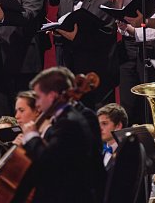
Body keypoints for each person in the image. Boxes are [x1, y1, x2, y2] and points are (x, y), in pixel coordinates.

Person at [21, 67, 105, 203]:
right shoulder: (64, 119)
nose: (36, 104)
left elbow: (49, 163)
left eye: (38, 97)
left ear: (52, 96)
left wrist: (32, 137)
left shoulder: (69, 122)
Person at [56, 0, 118, 108]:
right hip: (71, 70)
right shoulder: (64, 1)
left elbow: (107, 37)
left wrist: (76, 38)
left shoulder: (103, 2)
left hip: (96, 73)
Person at [115, 0, 152, 125]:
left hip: (148, 44)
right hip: (128, 45)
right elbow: (117, 13)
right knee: (128, 101)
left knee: (147, 100)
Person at [97, 103, 128, 171]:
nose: (100, 128)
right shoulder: (100, 152)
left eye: (104, 123)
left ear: (118, 126)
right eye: (98, 124)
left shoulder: (128, 153)